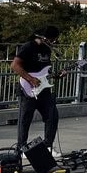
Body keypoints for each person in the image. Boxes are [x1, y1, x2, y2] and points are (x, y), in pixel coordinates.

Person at [11, 25, 62, 155]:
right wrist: (30, 79)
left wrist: (56, 75)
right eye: (53, 39)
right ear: (44, 37)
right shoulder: (28, 47)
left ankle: (48, 146)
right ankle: (22, 148)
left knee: (52, 115)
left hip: (43, 89)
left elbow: (44, 71)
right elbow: (15, 65)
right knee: (25, 119)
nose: (54, 42)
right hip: (28, 88)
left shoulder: (47, 50)